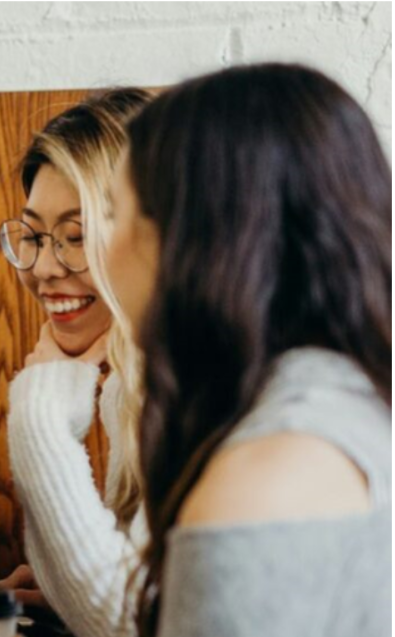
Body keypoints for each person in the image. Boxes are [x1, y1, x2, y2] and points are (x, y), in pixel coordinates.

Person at [107, 63, 390, 636]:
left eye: (114, 213)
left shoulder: (264, 482)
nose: (101, 250)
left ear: (188, 239)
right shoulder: (350, 404)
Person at [0, 89, 153, 637]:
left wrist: (40, 416)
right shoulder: (132, 383)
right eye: (35, 236)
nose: (41, 268)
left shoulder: (205, 391)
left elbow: (130, 623)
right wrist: (63, 590)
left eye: (76, 237)